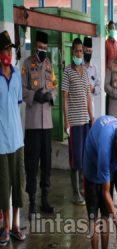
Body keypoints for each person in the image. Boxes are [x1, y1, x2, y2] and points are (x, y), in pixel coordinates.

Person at [83, 115, 117, 249]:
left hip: (107, 165)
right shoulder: (105, 148)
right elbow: (106, 192)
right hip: (92, 167)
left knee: (105, 216)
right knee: (95, 218)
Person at [22, 31, 57, 218]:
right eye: (41, 47)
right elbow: (22, 88)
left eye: (45, 48)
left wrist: (50, 96)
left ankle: (44, 199)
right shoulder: (27, 64)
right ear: (36, 45)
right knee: (32, 163)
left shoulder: (50, 65)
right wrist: (35, 95)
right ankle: (32, 202)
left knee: (47, 162)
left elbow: (55, 86)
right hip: (33, 123)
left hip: (47, 124)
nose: (43, 50)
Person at [0, 30, 26, 245]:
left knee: (18, 184)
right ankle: (5, 227)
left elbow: (17, 104)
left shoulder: (17, 74)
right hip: (1, 142)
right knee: (3, 185)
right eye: (5, 50)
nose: (8, 53)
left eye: (10, 49)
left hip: (17, 140)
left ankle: (16, 225)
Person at [62, 38, 94, 205]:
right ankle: (75, 192)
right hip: (74, 123)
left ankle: (83, 189)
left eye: (81, 51)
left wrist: (92, 117)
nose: (79, 53)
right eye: (76, 51)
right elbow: (64, 98)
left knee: (84, 156)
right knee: (75, 157)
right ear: (72, 52)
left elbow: (88, 96)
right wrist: (66, 121)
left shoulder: (86, 72)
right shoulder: (67, 71)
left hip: (85, 121)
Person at [83, 37, 101, 116]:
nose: (88, 53)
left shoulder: (94, 68)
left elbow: (99, 88)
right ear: (83, 49)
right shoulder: (78, 66)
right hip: (79, 107)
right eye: (86, 51)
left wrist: (93, 89)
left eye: (90, 51)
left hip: (91, 108)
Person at [105, 20, 117, 115]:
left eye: (113, 28)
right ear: (108, 29)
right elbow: (104, 61)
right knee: (109, 97)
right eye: (111, 28)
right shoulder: (105, 43)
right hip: (108, 75)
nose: (112, 30)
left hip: (116, 75)